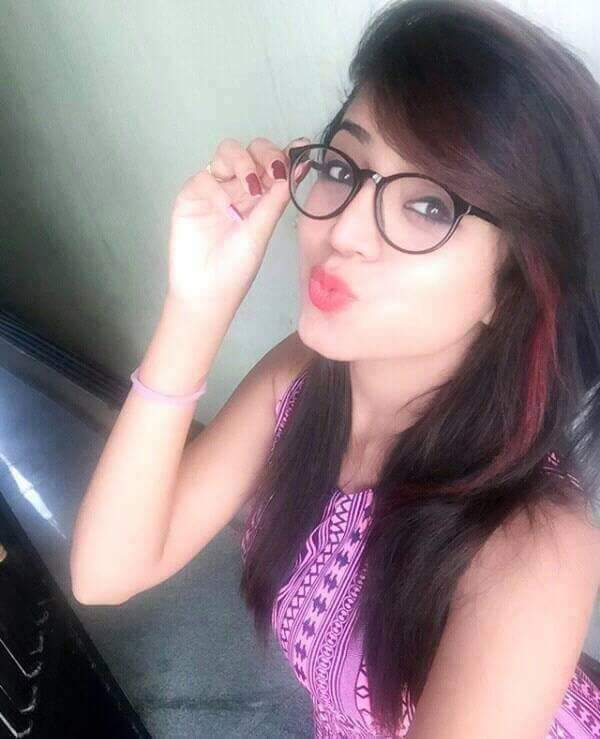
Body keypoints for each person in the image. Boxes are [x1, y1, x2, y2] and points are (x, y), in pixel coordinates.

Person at [69, 0, 600, 736]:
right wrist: (197, 305)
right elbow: (106, 572)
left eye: (428, 206)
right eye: (345, 167)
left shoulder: (533, 543)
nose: (343, 229)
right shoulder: (301, 381)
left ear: (515, 284)